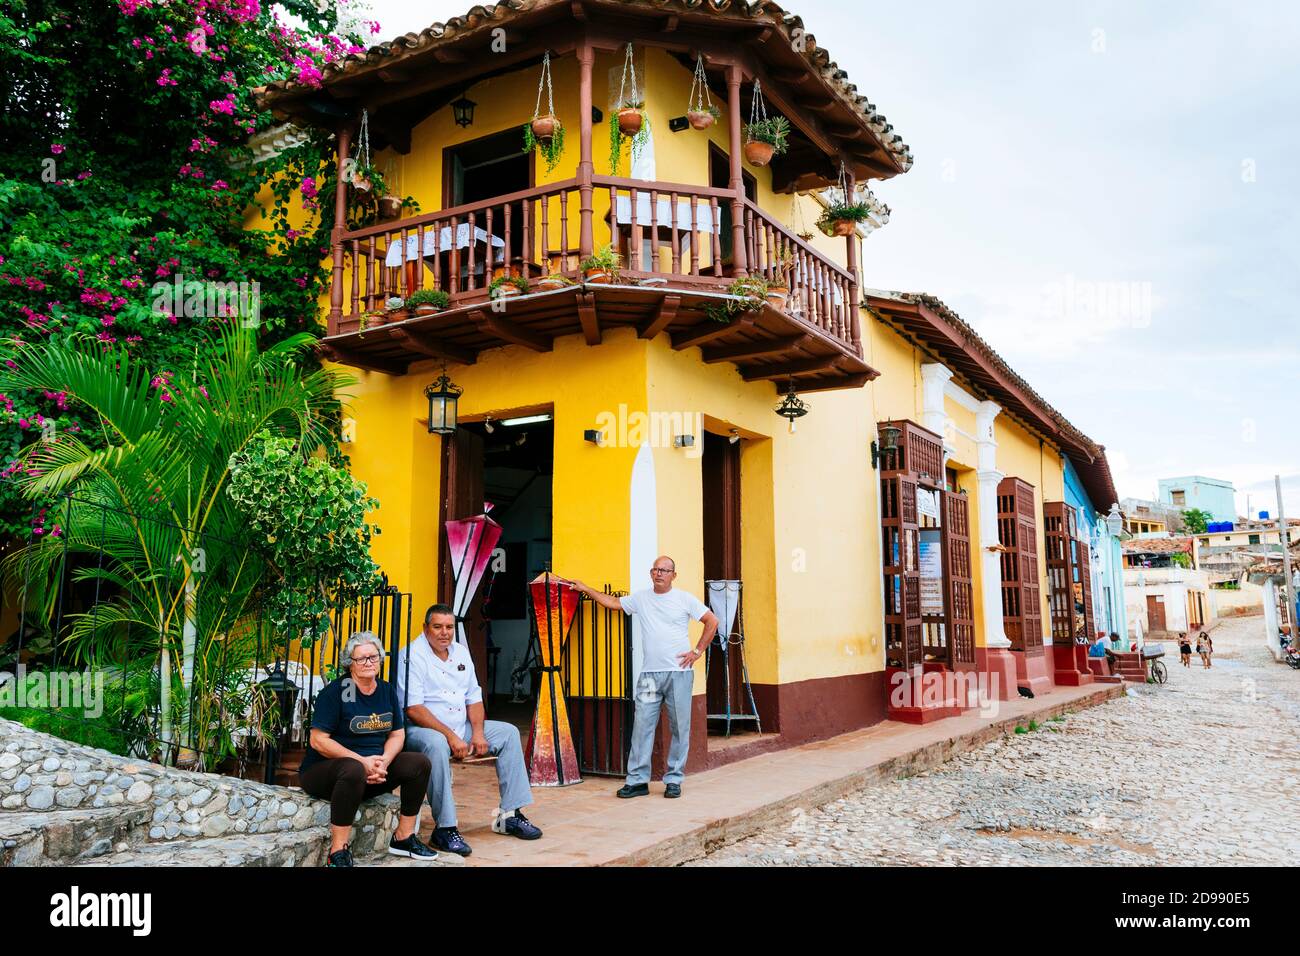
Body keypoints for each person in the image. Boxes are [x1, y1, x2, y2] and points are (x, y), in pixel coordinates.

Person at [395, 604, 542, 857]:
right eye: (438, 627)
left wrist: (477, 733)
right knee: (437, 745)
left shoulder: (460, 652)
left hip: (459, 727)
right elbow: (413, 708)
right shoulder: (411, 654)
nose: (444, 633)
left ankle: (510, 814)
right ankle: (445, 828)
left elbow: (473, 696)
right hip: (422, 730)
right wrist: (451, 736)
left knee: (507, 733)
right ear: (425, 628)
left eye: (449, 627)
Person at [571, 556, 718, 799]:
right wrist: (586, 588)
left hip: (678, 674)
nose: (659, 573)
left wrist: (697, 651)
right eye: (655, 569)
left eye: (664, 570)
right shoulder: (641, 598)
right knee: (642, 727)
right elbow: (613, 603)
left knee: (680, 727)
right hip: (650, 675)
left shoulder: (684, 599)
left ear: (673, 575)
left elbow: (712, 621)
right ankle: (638, 781)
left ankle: (674, 779)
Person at [298, 631, 438, 867]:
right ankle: (337, 851)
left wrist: (383, 761)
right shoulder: (338, 692)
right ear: (349, 663)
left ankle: (403, 837)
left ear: (380, 659)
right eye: (361, 658)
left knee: (418, 763)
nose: (368, 663)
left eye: (373, 657)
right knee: (353, 769)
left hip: (373, 772)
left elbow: (397, 733)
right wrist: (362, 762)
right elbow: (318, 740)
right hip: (327, 774)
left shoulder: (386, 690)